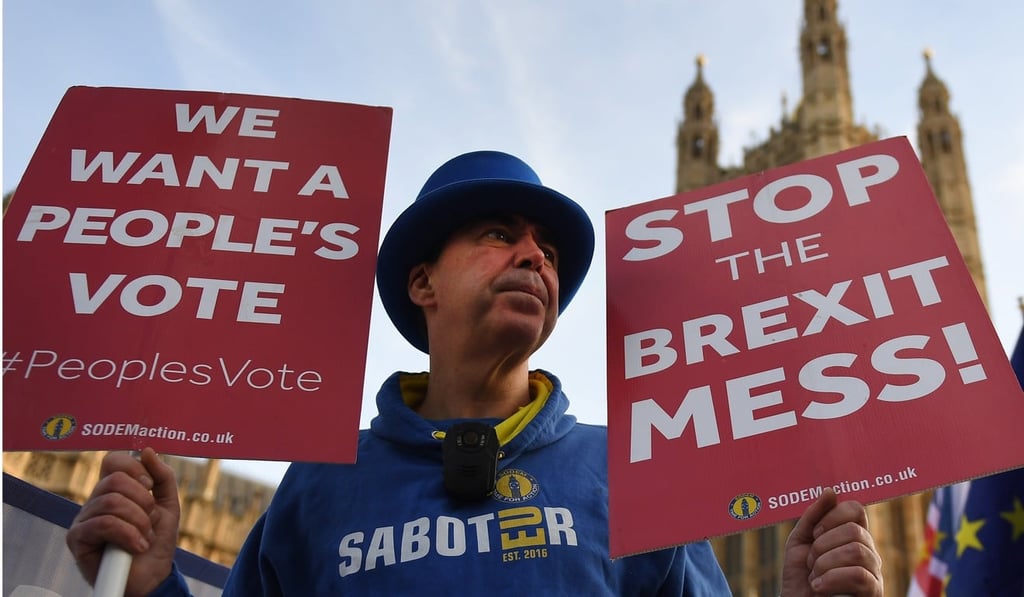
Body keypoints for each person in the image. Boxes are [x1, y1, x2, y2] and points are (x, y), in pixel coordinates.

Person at [66, 150, 883, 595]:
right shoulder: (319, 483)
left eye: (550, 250)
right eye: (499, 233)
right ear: (423, 282)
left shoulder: (633, 476)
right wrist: (148, 589)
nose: (535, 254)